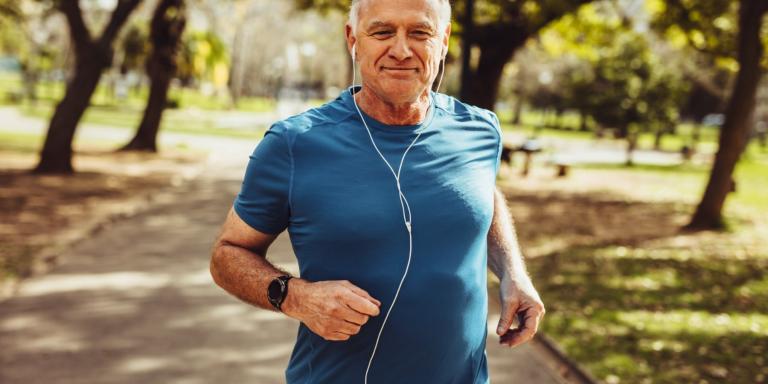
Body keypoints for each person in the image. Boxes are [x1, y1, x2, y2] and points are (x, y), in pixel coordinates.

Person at [209, 0, 545, 382]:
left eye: (420, 32)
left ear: (445, 40)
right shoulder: (294, 144)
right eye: (383, 32)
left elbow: (481, 196)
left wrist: (513, 272)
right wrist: (296, 297)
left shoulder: (481, 131)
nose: (401, 50)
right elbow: (227, 254)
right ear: (353, 39)